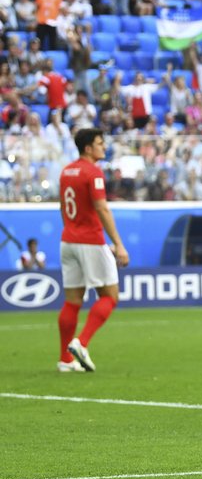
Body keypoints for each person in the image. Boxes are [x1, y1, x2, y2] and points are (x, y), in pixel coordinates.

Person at [57, 128, 130, 373]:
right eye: (100, 143)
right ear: (88, 148)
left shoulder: (66, 171)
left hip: (68, 240)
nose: (104, 147)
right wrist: (118, 244)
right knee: (110, 296)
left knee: (72, 301)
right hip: (90, 240)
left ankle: (64, 360)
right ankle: (82, 343)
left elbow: (62, 207)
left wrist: (73, 231)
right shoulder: (93, 172)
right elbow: (102, 208)